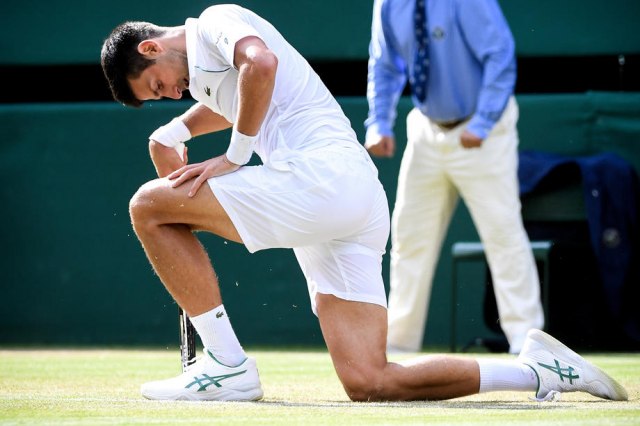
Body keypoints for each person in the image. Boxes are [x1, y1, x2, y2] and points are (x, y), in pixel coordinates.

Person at [100, 4, 627, 402]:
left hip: (321, 180)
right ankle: (537, 371)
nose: (171, 94)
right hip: (351, 199)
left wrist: (234, 158)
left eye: (158, 87)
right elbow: (236, 96)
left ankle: (226, 364)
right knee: (370, 380)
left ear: (151, 49)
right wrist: (172, 131)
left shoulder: (216, 21)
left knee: (146, 206)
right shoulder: (208, 75)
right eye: (161, 97)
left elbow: (261, 65)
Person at [365, 0, 544, 355]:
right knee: (409, 239)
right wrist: (379, 122)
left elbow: (500, 54)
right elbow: (384, 63)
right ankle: (398, 345)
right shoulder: (386, 3)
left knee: (503, 234)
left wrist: (484, 121)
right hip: (425, 130)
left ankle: (527, 345)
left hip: (483, 131)